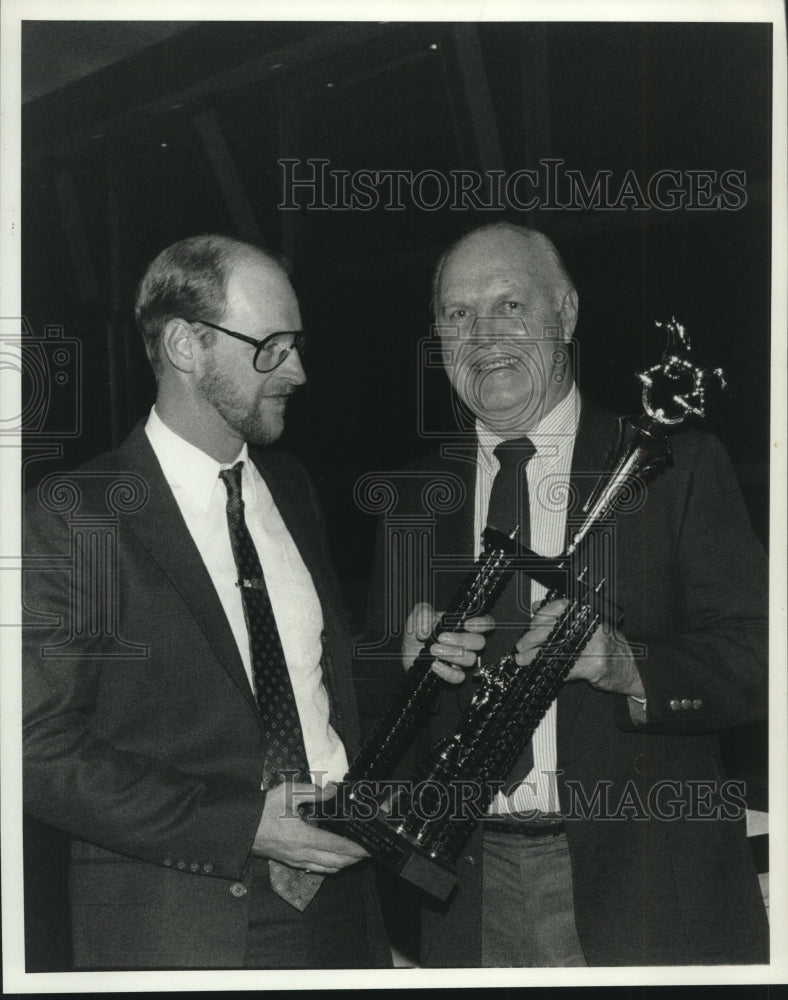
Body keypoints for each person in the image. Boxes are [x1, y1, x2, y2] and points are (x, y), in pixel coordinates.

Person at [364, 222, 769, 966]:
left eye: (510, 305)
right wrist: (403, 669)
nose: (483, 334)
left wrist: (628, 666)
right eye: (458, 314)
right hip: (464, 898)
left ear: (567, 313)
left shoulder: (680, 468)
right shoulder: (411, 501)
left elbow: (760, 660)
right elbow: (372, 724)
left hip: (648, 900)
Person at [22, 235, 391, 969]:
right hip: (182, 928)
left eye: (298, 344)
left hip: (345, 908)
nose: (300, 371)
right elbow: (33, 748)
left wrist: (406, 654)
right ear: (187, 345)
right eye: (273, 347)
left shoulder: (292, 488)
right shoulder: (76, 514)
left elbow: (305, 683)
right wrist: (246, 824)